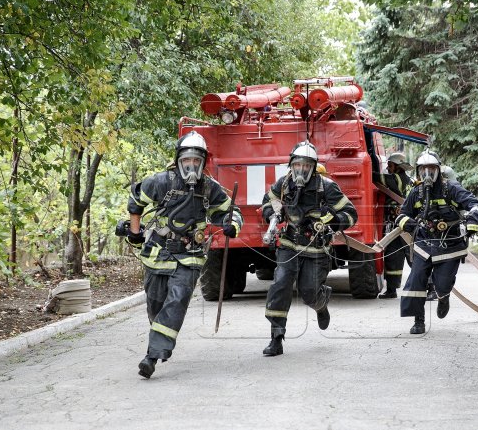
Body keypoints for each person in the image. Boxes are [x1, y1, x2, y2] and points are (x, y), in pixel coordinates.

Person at [126, 131, 243, 379]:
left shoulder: (210, 188)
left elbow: (230, 211)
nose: (192, 166)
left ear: (203, 163)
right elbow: (136, 201)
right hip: (158, 254)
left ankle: (152, 356)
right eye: (187, 160)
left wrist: (231, 223)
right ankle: (159, 338)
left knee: (177, 300)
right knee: (156, 305)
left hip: (190, 256)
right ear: (179, 160)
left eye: (196, 161)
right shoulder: (160, 182)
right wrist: (135, 233)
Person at [260, 140, 358, 356]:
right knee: (281, 285)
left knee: (309, 292)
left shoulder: (327, 186)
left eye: (306, 165)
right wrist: (271, 214)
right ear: (291, 165)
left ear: (313, 167)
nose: (301, 170)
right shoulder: (284, 184)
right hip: (288, 245)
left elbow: (351, 213)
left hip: (316, 249)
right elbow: (268, 201)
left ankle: (320, 304)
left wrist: (332, 222)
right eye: (298, 165)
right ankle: (276, 337)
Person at [396, 152, 478, 333]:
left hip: (450, 244)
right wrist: (409, 224)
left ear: (438, 169)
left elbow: (477, 205)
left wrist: (472, 222)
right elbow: (401, 215)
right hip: (425, 243)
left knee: (442, 284)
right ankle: (418, 321)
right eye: (423, 169)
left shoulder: (451, 188)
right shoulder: (417, 192)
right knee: (416, 281)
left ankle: (443, 297)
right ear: (419, 171)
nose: (427, 173)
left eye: (431, 169)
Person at [373, 152, 413, 298]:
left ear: (397, 167)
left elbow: (377, 177)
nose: (388, 168)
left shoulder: (398, 178)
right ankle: (391, 290)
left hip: (404, 224)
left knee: (413, 257)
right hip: (395, 225)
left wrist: (366, 168)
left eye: (390, 165)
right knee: (392, 256)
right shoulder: (406, 179)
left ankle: (430, 287)